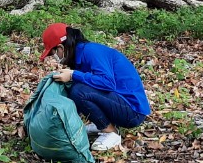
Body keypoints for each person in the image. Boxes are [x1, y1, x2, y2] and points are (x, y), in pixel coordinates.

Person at [40, 23, 150, 151]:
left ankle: (111, 132)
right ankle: (102, 124)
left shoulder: (91, 51)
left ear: (60, 48)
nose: (54, 58)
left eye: (53, 54)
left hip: (133, 111)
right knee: (77, 87)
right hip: (119, 102)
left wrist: (73, 75)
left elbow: (107, 83)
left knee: (79, 90)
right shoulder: (79, 56)